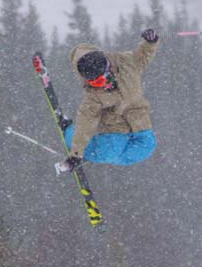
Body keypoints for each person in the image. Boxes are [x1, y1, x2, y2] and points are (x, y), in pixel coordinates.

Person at [55, 28, 160, 174]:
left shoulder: (126, 62)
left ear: (108, 67)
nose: (103, 84)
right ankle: (71, 134)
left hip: (138, 117)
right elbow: (86, 122)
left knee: (147, 146)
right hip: (114, 126)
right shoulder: (93, 96)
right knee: (109, 153)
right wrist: (76, 154)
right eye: (96, 83)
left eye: (102, 79)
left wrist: (150, 42)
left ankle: (98, 153)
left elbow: (143, 56)